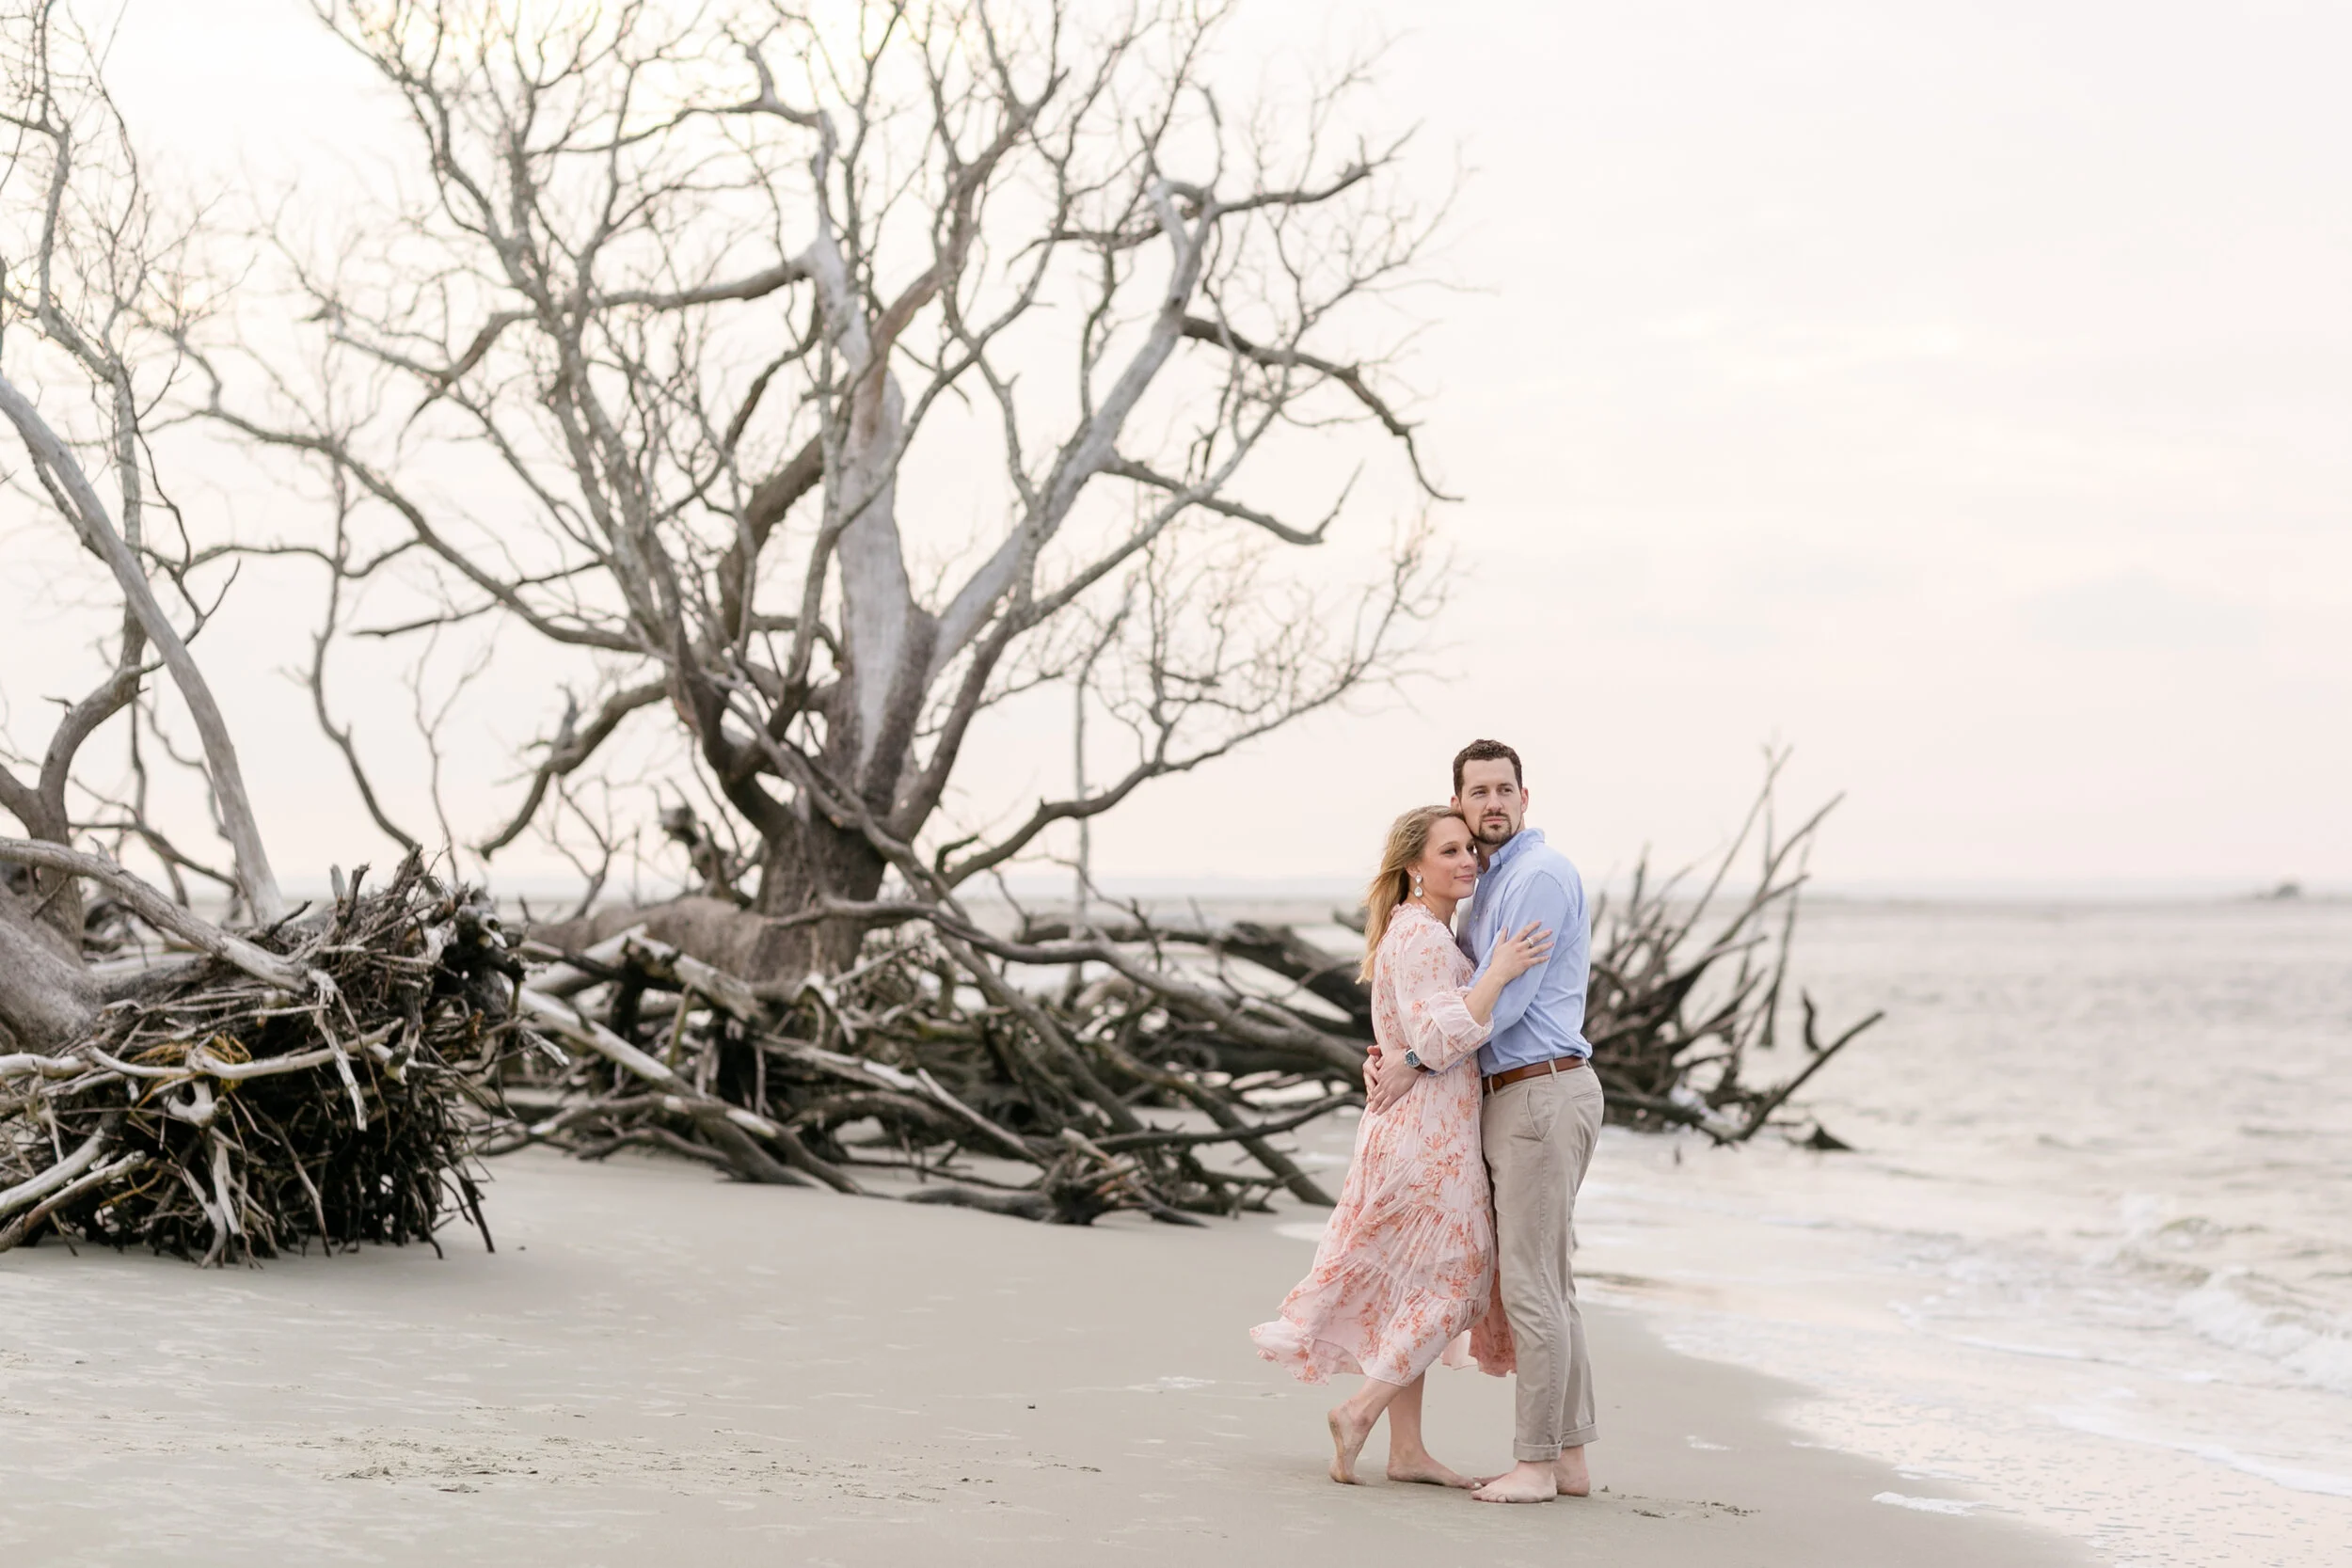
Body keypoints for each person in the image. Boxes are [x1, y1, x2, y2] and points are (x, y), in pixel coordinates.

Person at [1250, 804, 1553, 1487]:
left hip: (1418, 1128)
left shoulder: (1419, 931)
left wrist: (1399, 1051)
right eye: (1449, 851)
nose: (1467, 860)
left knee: (1415, 1286)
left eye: (1470, 848)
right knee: (1459, 1282)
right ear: (1414, 866)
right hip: (1427, 1137)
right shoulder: (1421, 936)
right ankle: (1360, 1410)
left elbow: (1408, 1038)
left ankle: (1408, 1451)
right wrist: (1498, 972)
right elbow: (1436, 1040)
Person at [1367, 738, 1604, 1505]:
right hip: (1518, 1094)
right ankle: (1569, 1458)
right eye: (1479, 792)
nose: (1493, 803)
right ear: (1460, 802)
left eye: (1505, 789)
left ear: (1525, 798)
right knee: (1549, 1282)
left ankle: (1535, 1464)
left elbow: (1505, 1004)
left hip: (1539, 1091)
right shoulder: (1491, 879)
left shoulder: (1536, 876)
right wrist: (1395, 1048)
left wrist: (1416, 1059)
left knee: (1532, 1287)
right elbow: (1445, 998)